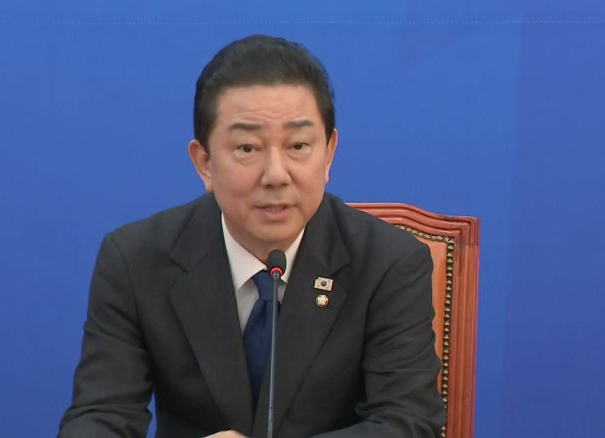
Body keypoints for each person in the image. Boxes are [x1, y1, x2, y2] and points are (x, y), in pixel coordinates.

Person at [59, 34, 445, 438]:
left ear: (329, 153)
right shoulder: (135, 260)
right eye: (247, 148)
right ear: (204, 162)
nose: (276, 175)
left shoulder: (387, 263)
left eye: (298, 145)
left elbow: (409, 423)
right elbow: (97, 419)